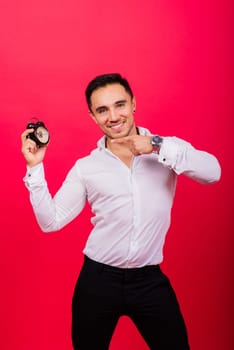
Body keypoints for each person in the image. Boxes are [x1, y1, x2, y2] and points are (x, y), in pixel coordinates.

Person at [21, 73, 221, 350]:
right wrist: (35, 167)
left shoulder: (167, 148)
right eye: (102, 110)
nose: (113, 116)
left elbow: (213, 172)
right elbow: (50, 221)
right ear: (92, 116)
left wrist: (157, 146)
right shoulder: (86, 167)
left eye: (120, 105)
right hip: (98, 281)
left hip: (149, 280)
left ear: (133, 103)